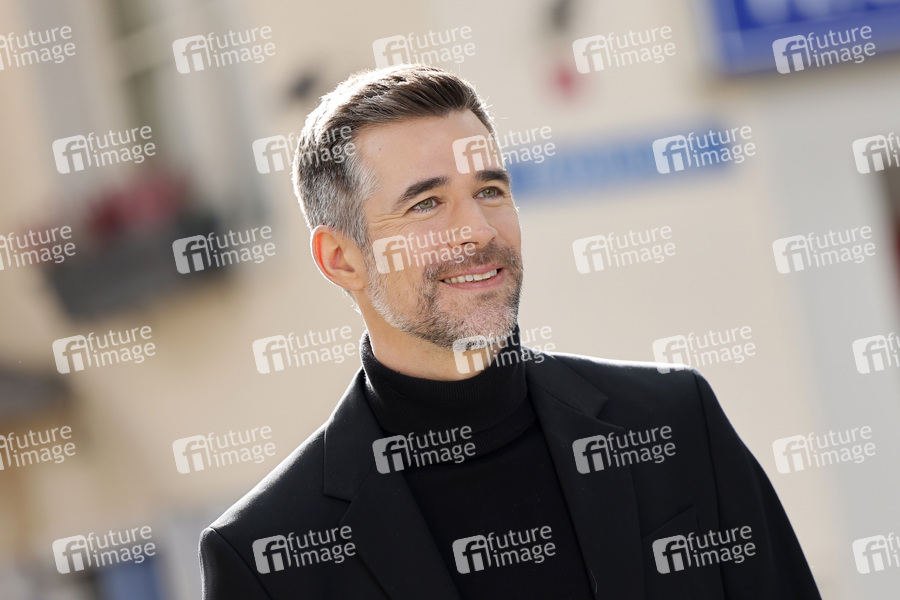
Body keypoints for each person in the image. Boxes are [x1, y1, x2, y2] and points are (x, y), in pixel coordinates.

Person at [198, 64, 821, 599]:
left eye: (490, 190)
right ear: (341, 259)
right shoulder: (266, 553)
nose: (477, 230)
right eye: (426, 203)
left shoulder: (674, 423)